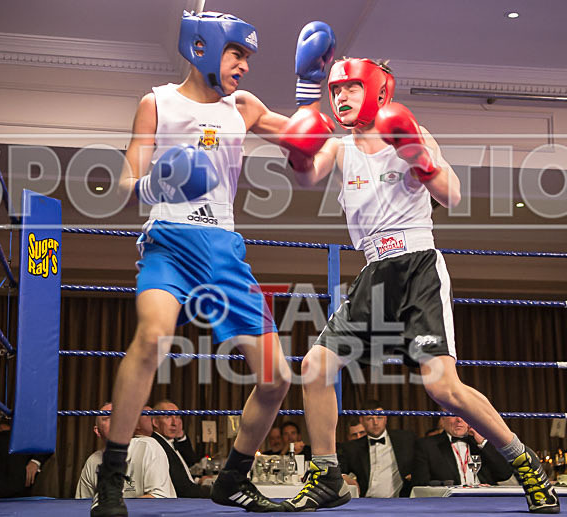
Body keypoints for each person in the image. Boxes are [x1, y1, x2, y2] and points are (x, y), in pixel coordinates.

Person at [279, 57, 560, 513]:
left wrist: (423, 162)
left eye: (351, 87)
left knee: (444, 389)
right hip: (374, 272)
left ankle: (523, 462)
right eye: (336, 90)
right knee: (314, 367)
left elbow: (452, 195)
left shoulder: (408, 130)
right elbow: (305, 174)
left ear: (377, 91)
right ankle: (326, 474)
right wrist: (297, 139)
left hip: (419, 267)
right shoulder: (339, 146)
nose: (342, 97)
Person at [95, 11, 335, 516]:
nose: (244, 66)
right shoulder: (156, 102)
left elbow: (306, 142)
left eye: (248, 56)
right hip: (169, 241)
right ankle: (111, 485)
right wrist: (161, 179)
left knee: (277, 379)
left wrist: (311, 91)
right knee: (153, 336)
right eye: (236, 53)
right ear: (202, 47)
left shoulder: (242, 107)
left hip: (223, 247)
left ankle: (232, 479)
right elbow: (122, 184)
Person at [77, 403, 174, 501]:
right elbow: (82, 504)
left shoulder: (147, 447)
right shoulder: (92, 461)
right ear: (97, 431)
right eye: (108, 417)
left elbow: (159, 498)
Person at [336, 400, 415, 498]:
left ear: (386, 418)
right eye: (370, 419)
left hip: (400, 501)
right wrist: (345, 477)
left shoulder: (406, 439)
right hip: (365, 502)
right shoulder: (352, 448)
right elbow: (338, 469)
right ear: (361, 421)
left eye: (379, 417)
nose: (375, 423)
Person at [413, 416, 511, 487]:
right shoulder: (427, 445)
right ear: (443, 419)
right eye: (453, 414)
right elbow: (420, 483)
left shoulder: (482, 443)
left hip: (485, 500)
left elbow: (504, 474)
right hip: (448, 503)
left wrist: (482, 443)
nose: (459, 420)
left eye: (464, 415)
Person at [150, 400, 209, 498]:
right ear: (155, 422)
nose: (174, 423)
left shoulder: (169, 442)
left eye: (177, 417)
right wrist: (213, 492)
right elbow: (183, 489)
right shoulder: (157, 445)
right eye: (168, 417)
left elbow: (190, 462)